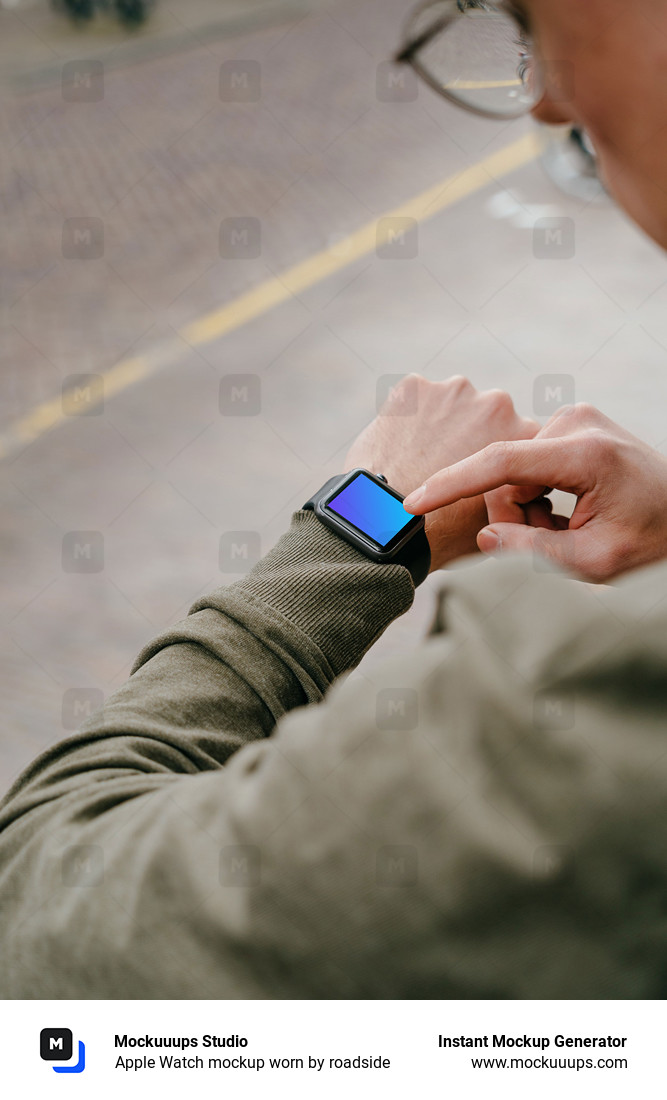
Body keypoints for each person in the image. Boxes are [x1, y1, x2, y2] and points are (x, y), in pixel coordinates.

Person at [1, 0, 667, 999]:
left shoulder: (579, 700)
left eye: (535, 21)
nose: (547, 99)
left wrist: (361, 524)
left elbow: (48, 908)